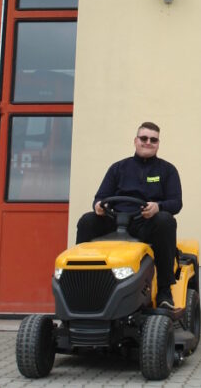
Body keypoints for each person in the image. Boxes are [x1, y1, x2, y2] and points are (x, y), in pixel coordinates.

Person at [76, 121, 182, 308]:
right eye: (143, 138)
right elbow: (100, 198)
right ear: (135, 141)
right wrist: (98, 206)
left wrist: (158, 207)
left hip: (146, 224)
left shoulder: (168, 170)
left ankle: (165, 291)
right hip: (115, 221)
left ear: (158, 143)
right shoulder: (118, 168)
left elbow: (176, 203)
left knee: (166, 220)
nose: (148, 142)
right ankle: (81, 286)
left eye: (153, 139)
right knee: (87, 221)